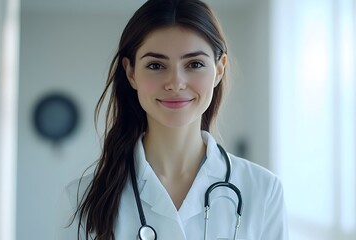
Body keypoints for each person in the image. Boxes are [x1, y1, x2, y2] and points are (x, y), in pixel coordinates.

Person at [58, 0, 288, 239]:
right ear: (131, 73)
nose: (176, 83)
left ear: (219, 70)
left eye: (195, 64)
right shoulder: (81, 198)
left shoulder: (263, 190)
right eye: (156, 65)